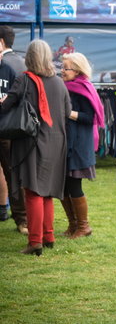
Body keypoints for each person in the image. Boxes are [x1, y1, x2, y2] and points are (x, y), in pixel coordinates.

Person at [0, 39, 71, 256]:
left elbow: (7, 106)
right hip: (56, 142)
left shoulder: (24, 80)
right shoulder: (59, 82)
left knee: (33, 192)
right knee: (47, 192)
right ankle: (47, 236)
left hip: (32, 142)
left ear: (28, 58)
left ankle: (35, 242)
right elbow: (67, 112)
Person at [61, 52, 104, 239]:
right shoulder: (67, 87)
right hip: (66, 142)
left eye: (66, 68)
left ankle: (84, 227)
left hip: (79, 144)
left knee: (74, 185)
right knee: (63, 185)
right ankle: (73, 225)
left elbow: (90, 118)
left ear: (77, 70)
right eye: (61, 67)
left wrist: (68, 113)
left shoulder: (83, 88)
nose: (62, 71)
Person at [0, 26, 28, 233]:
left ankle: (22, 219)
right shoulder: (21, 62)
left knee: (13, 174)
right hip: (12, 128)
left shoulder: (9, 66)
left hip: (7, 129)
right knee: (12, 174)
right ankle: (20, 218)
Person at [0, 49, 16, 222]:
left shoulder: (8, 70)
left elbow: (16, 97)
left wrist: (8, 100)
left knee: (10, 171)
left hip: (5, 127)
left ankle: (14, 213)